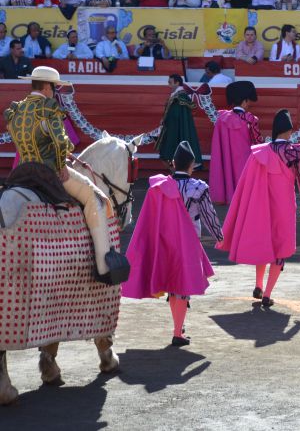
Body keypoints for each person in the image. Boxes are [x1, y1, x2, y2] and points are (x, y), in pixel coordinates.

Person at [4, 66, 114, 278]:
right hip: (48, 172)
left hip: (22, 172)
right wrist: (62, 163)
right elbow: (60, 141)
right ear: (46, 87)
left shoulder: (16, 110)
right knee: (95, 198)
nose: (54, 92)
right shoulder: (48, 107)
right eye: (54, 88)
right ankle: (104, 267)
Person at [122, 141, 219, 346]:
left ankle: (178, 325)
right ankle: (177, 332)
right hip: (189, 242)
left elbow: (150, 217)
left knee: (174, 283)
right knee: (181, 286)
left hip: (165, 240)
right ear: (192, 165)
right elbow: (209, 216)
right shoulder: (198, 188)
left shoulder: (160, 187)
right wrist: (219, 238)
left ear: (173, 163)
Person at [217, 110, 300, 308]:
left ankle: (258, 286)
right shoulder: (294, 152)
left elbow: (247, 183)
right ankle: (267, 294)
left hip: (262, 205)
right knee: (280, 247)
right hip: (283, 205)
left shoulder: (260, 153)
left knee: (264, 244)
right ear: (290, 131)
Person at [209, 80, 261, 205]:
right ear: (245, 101)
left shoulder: (221, 118)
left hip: (226, 159)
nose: (249, 104)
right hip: (245, 160)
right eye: (249, 101)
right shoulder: (250, 119)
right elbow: (258, 143)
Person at [155, 74, 203, 170]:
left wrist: (166, 121)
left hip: (174, 129)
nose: (169, 85)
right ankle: (176, 174)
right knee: (167, 155)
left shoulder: (180, 96)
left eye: (170, 83)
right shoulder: (178, 95)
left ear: (177, 83)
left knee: (168, 154)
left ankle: (176, 175)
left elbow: (175, 116)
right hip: (174, 128)